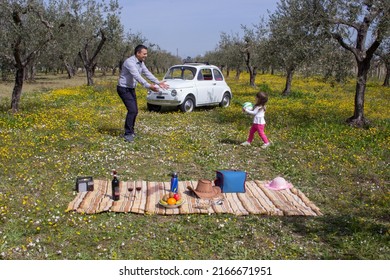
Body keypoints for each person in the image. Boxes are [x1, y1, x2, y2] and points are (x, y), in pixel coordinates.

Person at [117, 44, 169, 142]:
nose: (146, 55)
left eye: (146, 54)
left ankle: (130, 132)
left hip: (131, 88)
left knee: (135, 110)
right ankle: (128, 134)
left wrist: (158, 82)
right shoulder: (129, 62)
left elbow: (147, 73)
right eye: (144, 54)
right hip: (123, 88)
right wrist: (149, 86)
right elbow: (137, 76)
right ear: (138, 53)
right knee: (132, 110)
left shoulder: (141, 63)